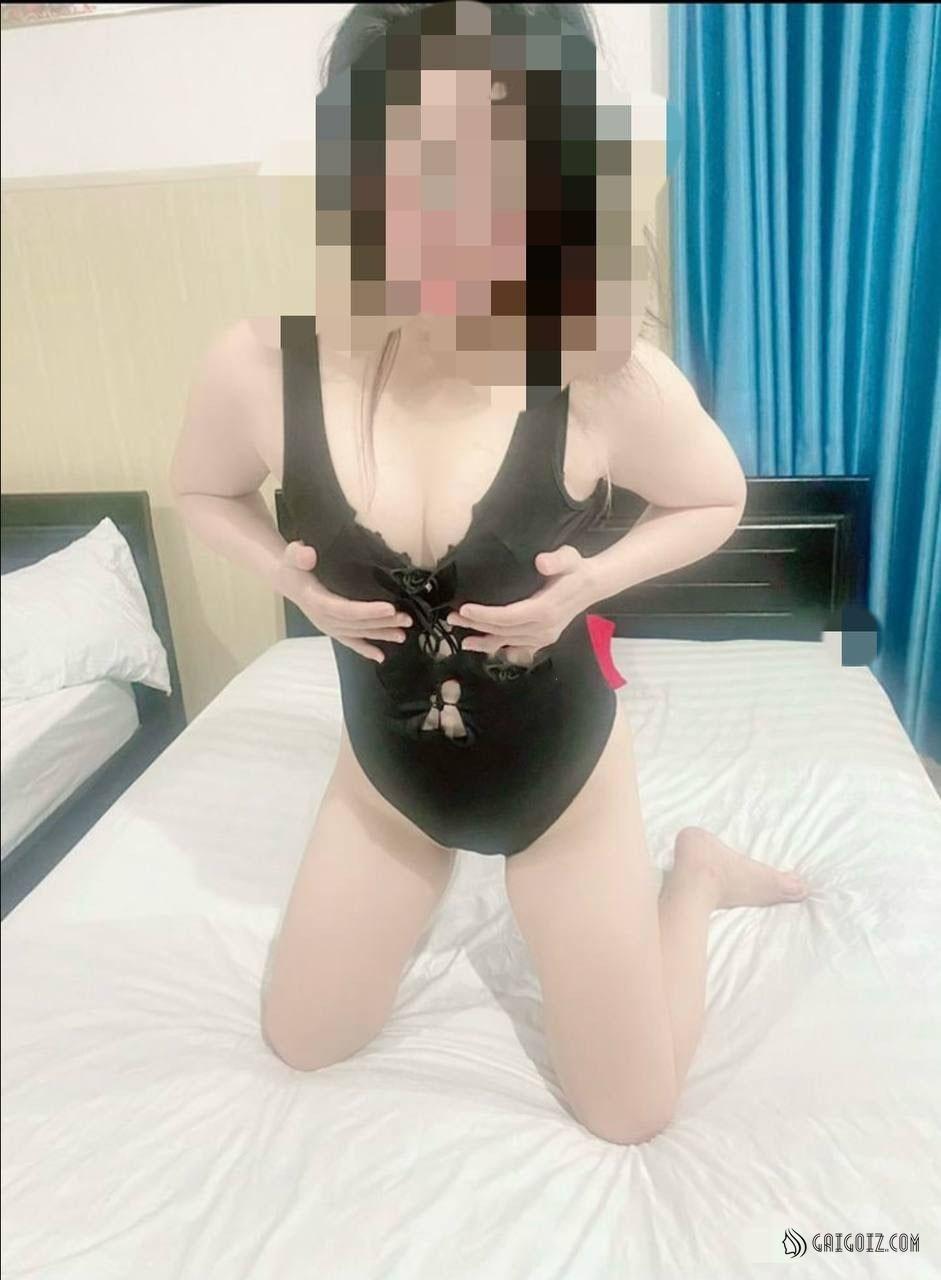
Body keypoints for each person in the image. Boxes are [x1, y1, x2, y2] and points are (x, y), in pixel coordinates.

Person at [171, 1, 809, 1146]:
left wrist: (586, 584)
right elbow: (201, 492)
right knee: (303, 1038)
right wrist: (293, 584)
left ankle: (698, 873)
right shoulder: (261, 366)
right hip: (387, 780)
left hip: (559, 780)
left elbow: (715, 497)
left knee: (631, 1113)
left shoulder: (599, 375)